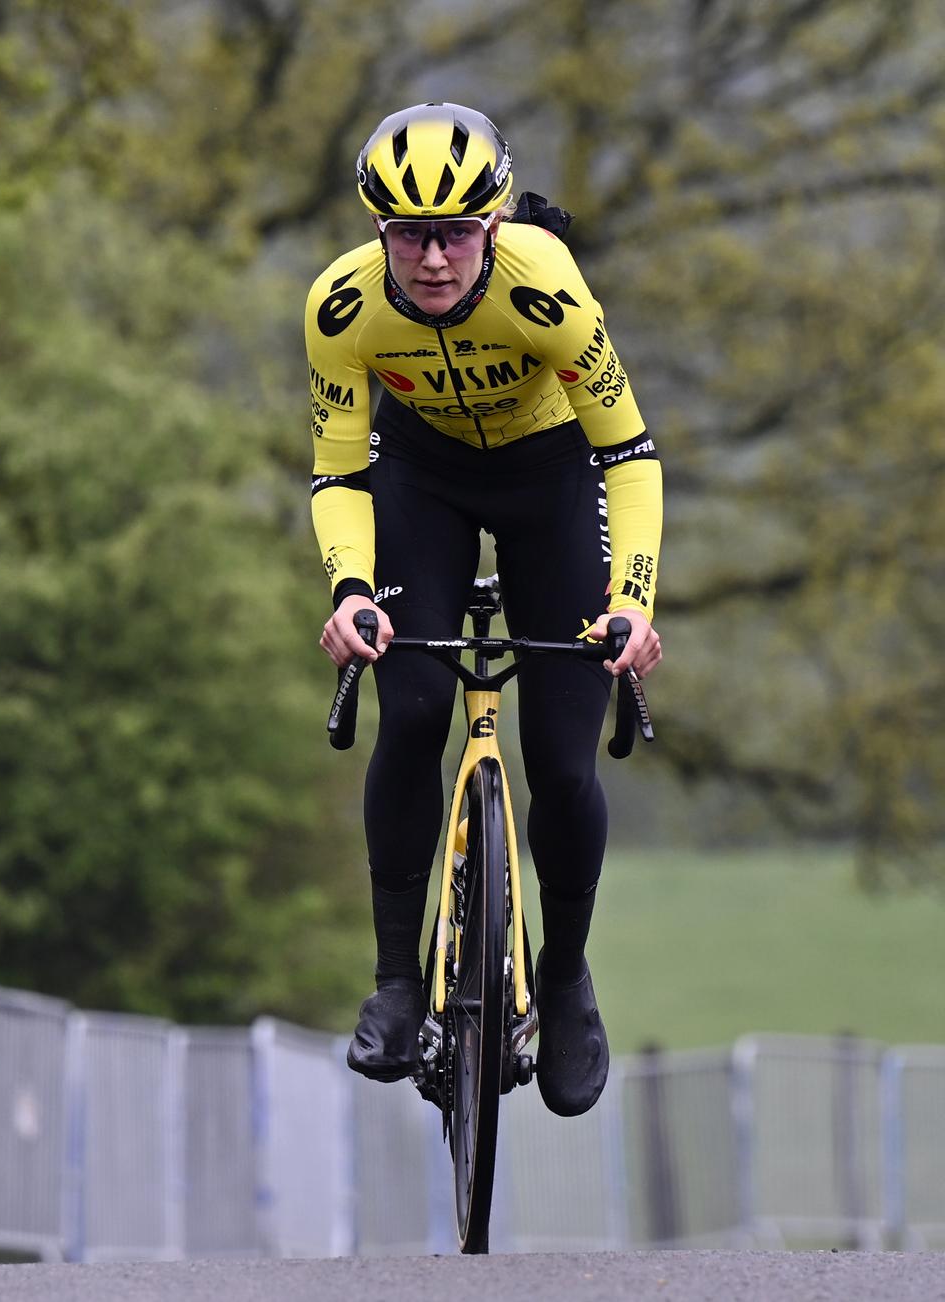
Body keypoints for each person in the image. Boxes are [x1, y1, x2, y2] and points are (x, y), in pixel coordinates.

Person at [305, 102, 663, 1117]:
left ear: (495, 225)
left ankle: (564, 978)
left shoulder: (547, 287)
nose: (430, 260)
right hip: (422, 477)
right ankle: (395, 981)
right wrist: (349, 590)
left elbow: (631, 458)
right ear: (379, 234)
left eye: (454, 233)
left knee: (560, 754)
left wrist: (632, 606)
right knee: (413, 708)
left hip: (551, 478)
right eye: (408, 236)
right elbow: (337, 473)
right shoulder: (340, 308)